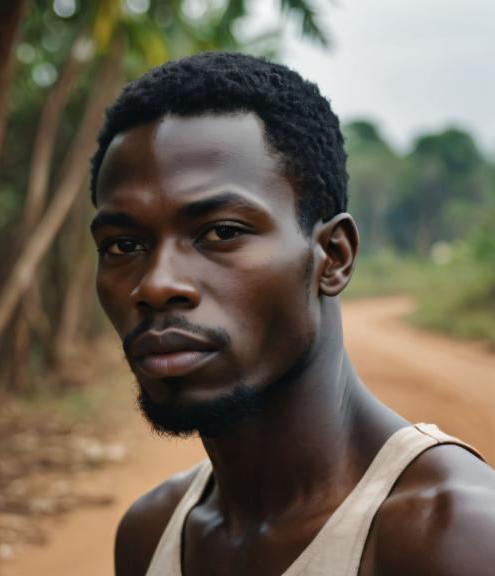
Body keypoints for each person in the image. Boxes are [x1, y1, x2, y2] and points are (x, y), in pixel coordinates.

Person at [88, 52, 495, 575]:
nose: (157, 284)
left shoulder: (455, 537)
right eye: (123, 244)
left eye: (222, 232)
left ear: (334, 256)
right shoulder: (151, 533)